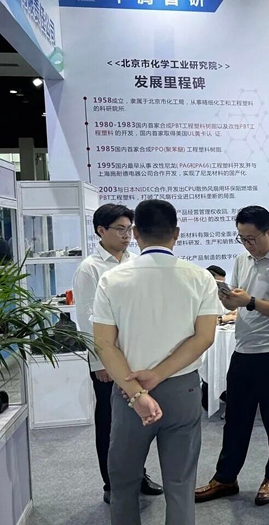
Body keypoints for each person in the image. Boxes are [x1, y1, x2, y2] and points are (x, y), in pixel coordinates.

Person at [91, 199, 219, 525]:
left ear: (135, 233)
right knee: (181, 484)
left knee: (124, 483)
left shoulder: (112, 279)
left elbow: (104, 344)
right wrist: (159, 374)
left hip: (129, 390)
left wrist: (137, 393)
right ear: (176, 233)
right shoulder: (200, 278)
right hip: (183, 389)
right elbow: (204, 337)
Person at [195, 205, 269, 507]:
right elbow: (237, 302)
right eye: (241, 238)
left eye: (252, 238)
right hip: (242, 349)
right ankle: (225, 478)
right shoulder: (241, 259)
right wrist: (227, 297)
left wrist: (251, 301)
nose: (247, 244)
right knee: (235, 419)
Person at [72, 204, 163, 504]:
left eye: (129, 229)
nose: (126, 235)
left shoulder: (136, 262)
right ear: (101, 230)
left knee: (138, 421)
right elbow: (86, 319)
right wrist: (100, 361)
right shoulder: (90, 268)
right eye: (120, 229)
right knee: (110, 423)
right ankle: (111, 483)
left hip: (136, 357)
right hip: (107, 360)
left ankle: (138, 475)